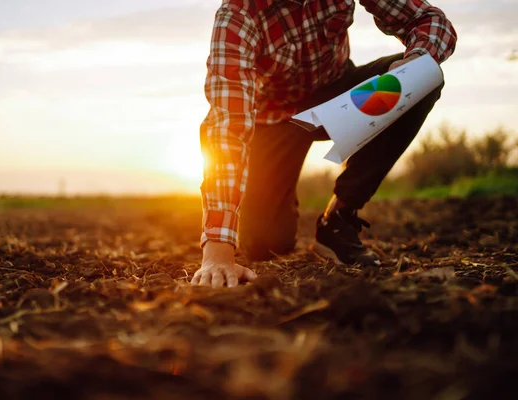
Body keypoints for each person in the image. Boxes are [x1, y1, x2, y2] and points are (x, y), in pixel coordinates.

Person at [192, 0, 456, 288]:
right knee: (265, 242)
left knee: (422, 78)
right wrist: (217, 250)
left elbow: (427, 18)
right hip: (276, 119)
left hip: (341, 94)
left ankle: (340, 216)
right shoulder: (238, 16)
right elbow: (227, 128)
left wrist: (415, 63)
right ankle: (277, 198)